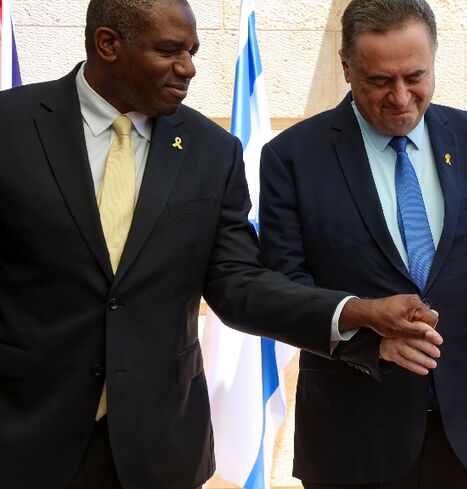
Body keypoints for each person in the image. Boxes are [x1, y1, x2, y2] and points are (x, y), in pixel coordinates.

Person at [0, 1, 442, 488]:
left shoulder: (212, 152)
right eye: (170, 51)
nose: (189, 68)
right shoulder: (11, 128)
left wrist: (356, 312)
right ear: (108, 45)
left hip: (160, 449)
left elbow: (239, 285)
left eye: (192, 51)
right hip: (23, 437)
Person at [257, 0, 467, 487]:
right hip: (354, 435)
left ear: (433, 59)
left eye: (415, 76)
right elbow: (281, 291)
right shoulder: (293, 157)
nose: (400, 97)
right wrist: (370, 336)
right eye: (379, 81)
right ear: (346, 66)